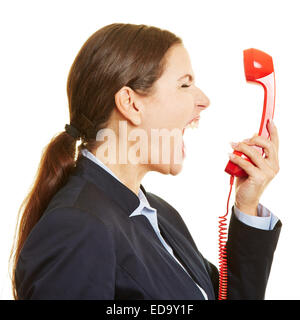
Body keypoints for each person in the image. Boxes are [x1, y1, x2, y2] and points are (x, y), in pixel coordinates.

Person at [10, 23, 281, 300]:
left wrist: (247, 206)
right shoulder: (76, 228)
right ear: (130, 103)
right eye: (184, 84)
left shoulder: (160, 214)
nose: (203, 100)